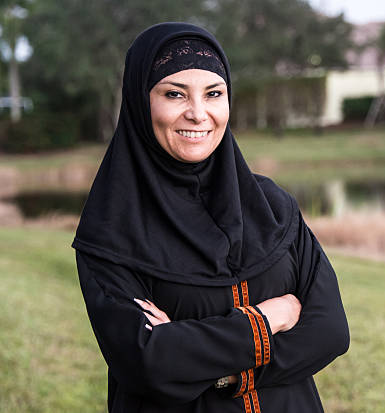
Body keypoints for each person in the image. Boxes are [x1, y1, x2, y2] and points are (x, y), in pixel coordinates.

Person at [72, 22, 350, 413]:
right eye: (174, 94)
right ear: (140, 102)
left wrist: (220, 369)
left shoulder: (272, 206)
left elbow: (329, 332)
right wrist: (271, 317)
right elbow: (148, 364)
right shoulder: (114, 229)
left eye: (214, 94)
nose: (198, 114)